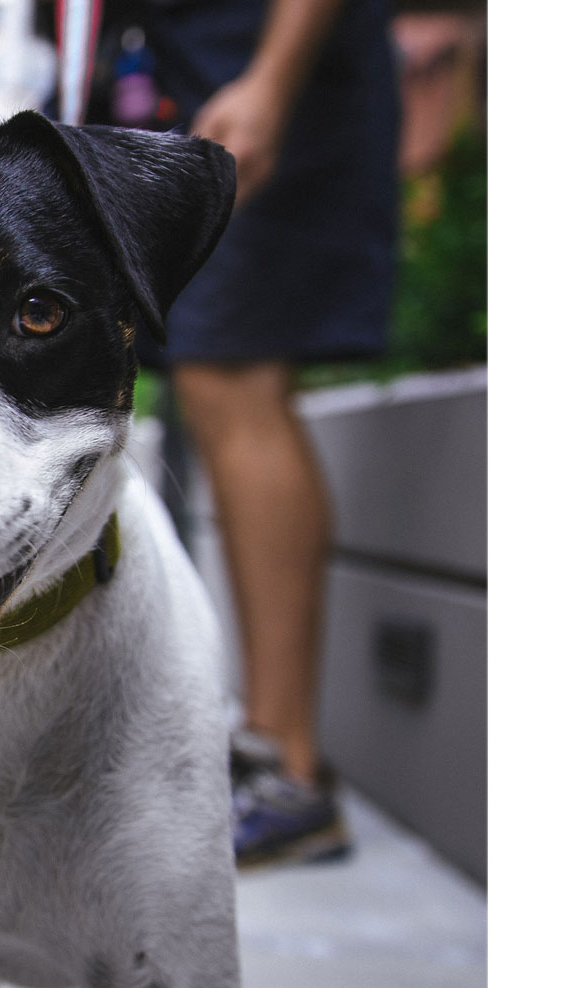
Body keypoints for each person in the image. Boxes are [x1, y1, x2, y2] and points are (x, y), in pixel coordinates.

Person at [132, 0, 401, 868]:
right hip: (205, 70)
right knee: (214, 379)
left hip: (261, 72)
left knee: (234, 374)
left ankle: (289, 772)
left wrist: (272, 82)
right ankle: (267, 754)